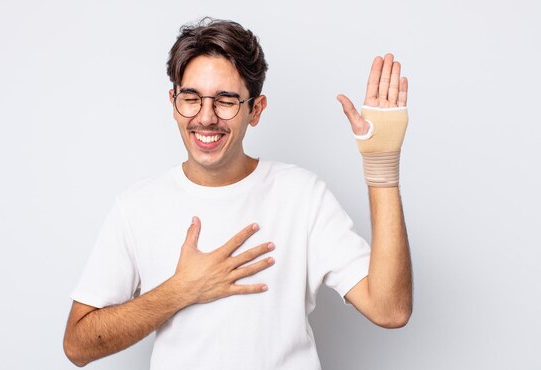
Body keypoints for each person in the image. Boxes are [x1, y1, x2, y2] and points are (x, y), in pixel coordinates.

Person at [63, 17, 412, 369]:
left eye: (226, 101)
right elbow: (77, 345)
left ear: (255, 110)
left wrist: (381, 166)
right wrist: (181, 289)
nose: (206, 117)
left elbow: (390, 309)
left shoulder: (302, 195)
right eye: (191, 98)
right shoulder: (136, 207)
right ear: (173, 103)